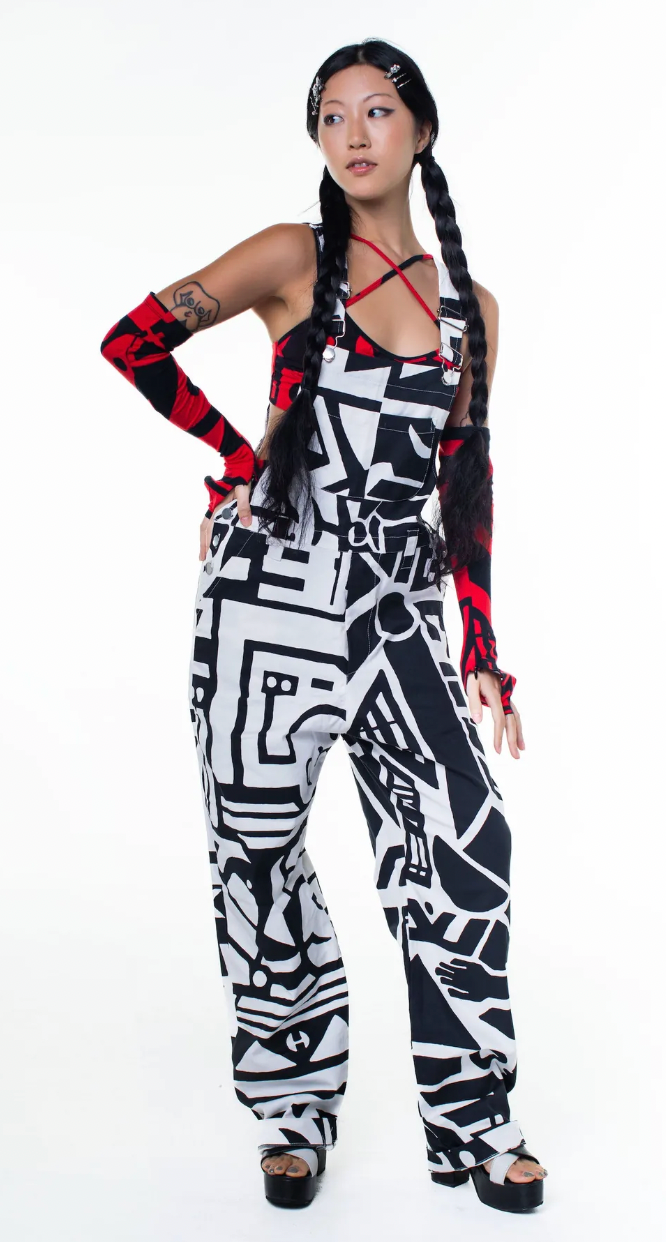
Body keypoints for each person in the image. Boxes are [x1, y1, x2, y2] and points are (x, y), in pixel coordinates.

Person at [100, 38, 547, 1214]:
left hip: (394, 608)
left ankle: (475, 1119)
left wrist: (481, 649)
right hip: (267, 600)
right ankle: (291, 1109)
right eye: (332, 116)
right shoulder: (294, 258)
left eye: (378, 111)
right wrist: (235, 459)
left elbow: (465, 481)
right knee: (256, 853)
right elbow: (132, 341)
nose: (354, 134)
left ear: (421, 130)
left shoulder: (470, 311)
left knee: (465, 842)